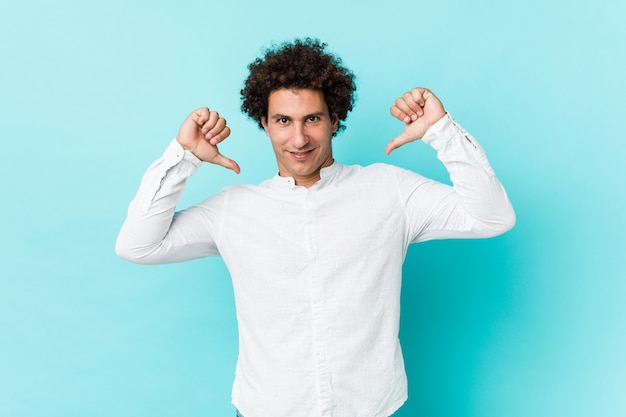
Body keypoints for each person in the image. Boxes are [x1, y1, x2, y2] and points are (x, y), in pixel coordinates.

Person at [116, 38, 515, 417]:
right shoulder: (233, 209)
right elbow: (138, 246)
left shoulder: (390, 190)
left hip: (370, 407)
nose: (299, 137)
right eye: (283, 121)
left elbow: (492, 217)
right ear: (265, 124)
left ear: (334, 119)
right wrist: (184, 156)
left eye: (312, 119)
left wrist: (441, 131)